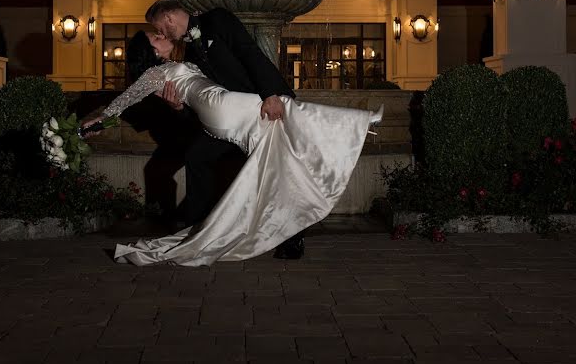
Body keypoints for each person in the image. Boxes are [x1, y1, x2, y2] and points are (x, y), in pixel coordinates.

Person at [84, 29, 382, 267]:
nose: (162, 36)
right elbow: (123, 101)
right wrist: (93, 123)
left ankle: (285, 226)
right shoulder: (154, 74)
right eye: (156, 38)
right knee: (288, 108)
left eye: (159, 34)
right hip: (222, 107)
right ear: (151, 52)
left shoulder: (174, 63)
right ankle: (358, 124)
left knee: (282, 160)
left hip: (219, 116)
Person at [147, 0, 303, 259]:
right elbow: (203, 98)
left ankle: (292, 238)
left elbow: (249, 53)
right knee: (196, 156)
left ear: (170, 18)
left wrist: (271, 94)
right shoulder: (190, 52)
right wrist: (178, 108)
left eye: (160, 28)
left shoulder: (217, 19)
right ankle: (197, 231)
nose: (162, 34)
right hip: (232, 119)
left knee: (275, 170)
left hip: (262, 109)